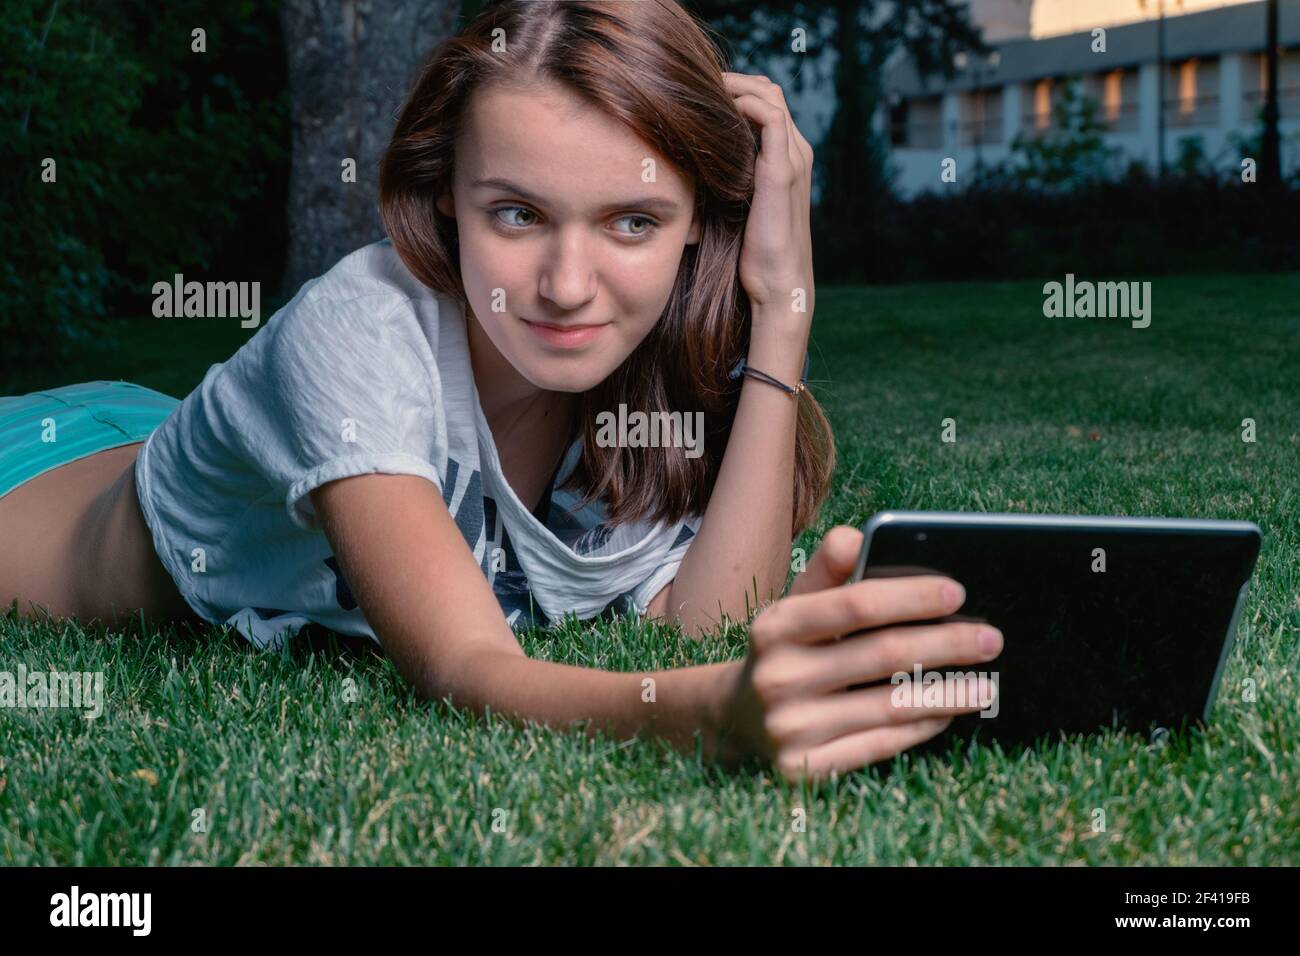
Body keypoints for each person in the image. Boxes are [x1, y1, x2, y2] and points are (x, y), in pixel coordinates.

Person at [0, 0, 999, 781]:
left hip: (166, 425)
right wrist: (708, 713)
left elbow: (704, 622)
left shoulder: (654, 384)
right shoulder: (359, 329)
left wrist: (783, 302)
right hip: (32, 477)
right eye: (517, 213)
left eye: (632, 221)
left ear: (705, 218)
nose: (567, 287)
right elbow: (464, 669)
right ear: (445, 191)